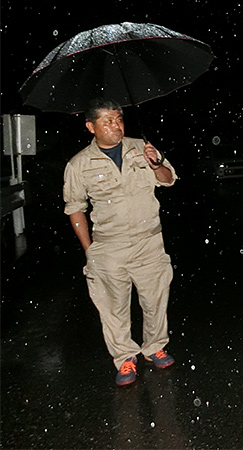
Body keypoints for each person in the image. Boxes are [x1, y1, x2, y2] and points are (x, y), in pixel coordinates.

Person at [63, 98, 177, 386]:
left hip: (149, 241)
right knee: (113, 307)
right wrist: (90, 250)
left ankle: (154, 347)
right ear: (91, 127)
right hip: (108, 246)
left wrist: (156, 163)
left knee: (155, 299)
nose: (116, 126)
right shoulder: (79, 164)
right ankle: (124, 357)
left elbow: (168, 180)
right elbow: (75, 208)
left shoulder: (142, 147)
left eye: (119, 119)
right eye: (107, 121)